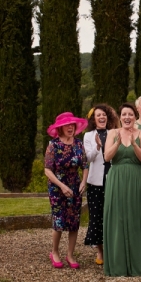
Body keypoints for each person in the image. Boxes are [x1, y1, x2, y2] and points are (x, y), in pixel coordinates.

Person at [102, 103, 141, 277]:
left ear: (134, 117)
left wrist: (133, 144)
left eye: (130, 114)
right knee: (118, 216)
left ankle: (137, 264)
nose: (127, 117)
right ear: (120, 117)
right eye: (124, 114)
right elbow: (107, 157)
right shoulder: (112, 133)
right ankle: (118, 265)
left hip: (135, 178)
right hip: (116, 178)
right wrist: (117, 144)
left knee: (134, 215)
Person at [43, 112, 89, 269]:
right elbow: (47, 170)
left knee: (74, 221)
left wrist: (83, 181)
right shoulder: (53, 145)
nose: (70, 127)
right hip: (57, 187)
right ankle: (54, 252)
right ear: (60, 128)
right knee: (59, 220)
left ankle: (70, 254)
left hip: (75, 186)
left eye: (72, 125)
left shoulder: (78, 144)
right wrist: (62, 186)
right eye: (67, 125)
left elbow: (85, 165)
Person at [83, 104, 116, 265]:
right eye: (98, 115)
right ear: (93, 119)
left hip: (113, 179)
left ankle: (113, 250)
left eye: (104, 114)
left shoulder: (114, 133)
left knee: (111, 216)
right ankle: (100, 252)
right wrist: (97, 147)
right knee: (96, 217)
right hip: (96, 182)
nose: (102, 117)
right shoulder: (88, 136)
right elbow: (88, 158)